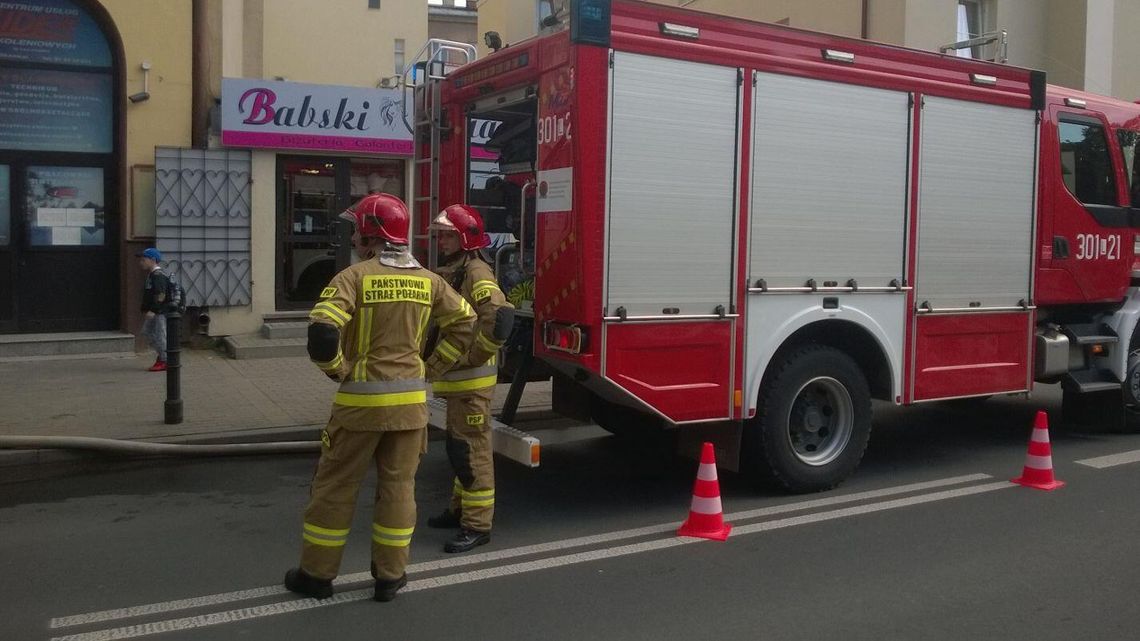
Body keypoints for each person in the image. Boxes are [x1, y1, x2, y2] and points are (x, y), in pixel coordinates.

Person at [284, 193, 475, 602]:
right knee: (399, 489)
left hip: (358, 409)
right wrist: (433, 368)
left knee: (335, 488)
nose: (353, 234)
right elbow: (466, 322)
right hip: (410, 408)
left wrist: (338, 369)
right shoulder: (430, 280)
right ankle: (390, 576)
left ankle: (317, 576)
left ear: (372, 231)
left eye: (357, 227)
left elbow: (322, 331)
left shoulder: (353, 278)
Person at [425, 204, 515, 553]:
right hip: (459, 383)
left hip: (472, 382)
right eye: (441, 235)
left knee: (472, 451)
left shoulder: (477, 273)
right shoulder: (457, 270)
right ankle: (459, 509)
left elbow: (501, 317)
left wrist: (472, 356)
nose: (442, 241)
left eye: (447, 235)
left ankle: (477, 525)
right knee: (458, 449)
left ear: (465, 238)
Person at [136, 247, 170, 372]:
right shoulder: (151, 275)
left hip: (160, 312)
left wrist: (154, 310)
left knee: (160, 335)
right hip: (154, 311)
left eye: (144, 260)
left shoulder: (158, 276)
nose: (141, 262)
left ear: (153, 260)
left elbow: (161, 294)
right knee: (148, 332)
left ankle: (165, 359)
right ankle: (163, 355)